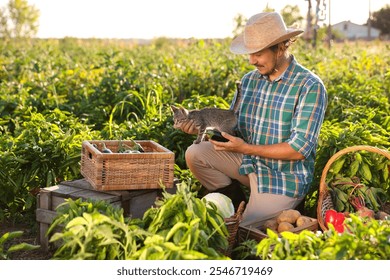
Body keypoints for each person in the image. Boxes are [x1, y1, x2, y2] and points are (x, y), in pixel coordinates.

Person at [181, 12, 327, 225]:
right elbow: (232, 129)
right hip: (249, 163)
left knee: (243, 233)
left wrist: (245, 149)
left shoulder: (309, 86)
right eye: (250, 53)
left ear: (280, 47)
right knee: (195, 153)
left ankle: (278, 206)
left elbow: (298, 149)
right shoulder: (249, 81)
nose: (251, 61)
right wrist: (201, 129)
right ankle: (236, 202)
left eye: (257, 53)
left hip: (283, 178)